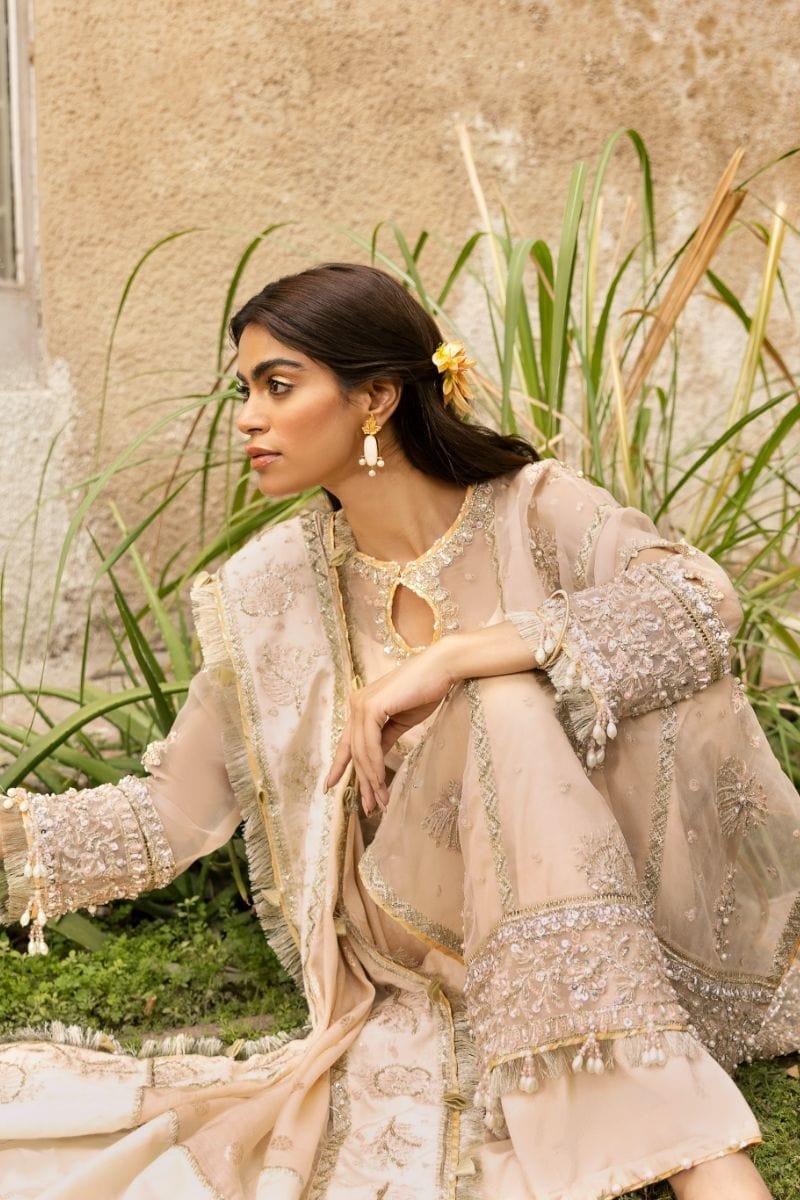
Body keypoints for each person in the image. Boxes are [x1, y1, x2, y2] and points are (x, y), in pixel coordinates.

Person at [0, 262, 795, 1200]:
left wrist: (458, 657)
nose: (248, 418)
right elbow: (165, 816)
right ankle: (696, 1148)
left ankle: (648, 1098)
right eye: (245, 390)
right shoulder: (274, 591)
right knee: (502, 700)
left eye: (278, 386)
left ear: (376, 397)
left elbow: (701, 603)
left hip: (601, 901)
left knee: (503, 696)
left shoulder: (533, 509)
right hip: (415, 932)